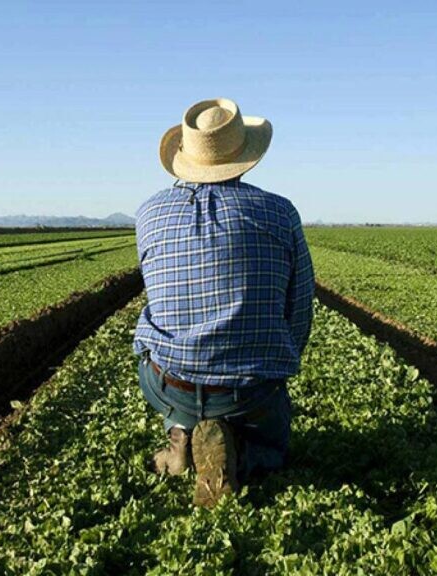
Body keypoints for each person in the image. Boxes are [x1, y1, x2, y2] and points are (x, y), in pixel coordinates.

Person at [134, 98, 314, 507]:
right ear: (246, 156)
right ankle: (245, 454)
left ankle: (181, 429)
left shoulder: (149, 214)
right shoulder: (280, 212)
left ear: (186, 155)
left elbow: (158, 299)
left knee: (150, 354)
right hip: (250, 391)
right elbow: (299, 310)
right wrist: (277, 369)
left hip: (170, 382)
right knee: (275, 447)